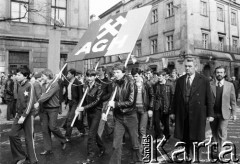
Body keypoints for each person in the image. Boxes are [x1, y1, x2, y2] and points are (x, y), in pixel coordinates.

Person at [171, 57, 214, 160]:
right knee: (184, 136)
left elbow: (209, 98)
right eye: (185, 66)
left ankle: (195, 156)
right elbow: (176, 98)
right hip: (183, 113)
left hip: (197, 113)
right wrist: (173, 112)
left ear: (195, 66)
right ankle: (187, 154)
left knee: (196, 137)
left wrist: (210, 114)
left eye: (189, 66)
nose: (187, 68)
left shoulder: (203, 80)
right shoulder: (180, 80)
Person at [108, 64, 142, 164]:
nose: (116, 74)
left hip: (130, 115)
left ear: (124, 72)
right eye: (114, 72)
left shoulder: (131, 83)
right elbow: (112, 98)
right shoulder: (114, 83)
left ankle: (138, 160)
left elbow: (131, 102)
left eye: (118, 72)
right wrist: (109, 106)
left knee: (135, 142)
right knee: (116, 144)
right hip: (119, 117)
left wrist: (115, 104)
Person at [34, 69, 68, 155]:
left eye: (43, 76)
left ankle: (63, 140)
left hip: (53, 108)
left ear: (48, 75)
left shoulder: (55, 84)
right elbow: (41, 95)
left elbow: (47, 95)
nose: (41, 78)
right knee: (45, 129)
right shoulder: (43, 84)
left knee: (52, 127)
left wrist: (38, 101)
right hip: (44, 108)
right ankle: (47, 148)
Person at [8, 66, 38, 164]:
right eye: (16, 74)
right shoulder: (20, 85)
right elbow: (19, 101)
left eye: (19, 74)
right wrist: (17, 112)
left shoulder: (30, 85)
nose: (16, 76)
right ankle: (21, 156)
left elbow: (30, 103)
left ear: (25, 76)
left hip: (28, 116)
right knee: (12, 134)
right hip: (19, 114)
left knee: (29, 138)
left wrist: (24, 116)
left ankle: (33, 160)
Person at [75, 69, 105, 164]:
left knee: (91, 134)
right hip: (89, 112)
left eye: (91, 76)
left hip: (96, 112)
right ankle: (102, 147)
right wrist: (79, 107)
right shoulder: (86, 86)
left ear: (95, 76)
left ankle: (90, 156)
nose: (89, 78)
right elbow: (83, 99)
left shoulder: (99, 87)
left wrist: (84, 108)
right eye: (87, 76)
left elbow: (97, 101)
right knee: (94, 132)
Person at [210, 66, 237, 153]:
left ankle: (220, 152)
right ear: (215, 73)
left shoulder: (230, 85)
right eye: (218, 72)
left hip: (224, 113)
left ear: (224, 74)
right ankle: (216, 148)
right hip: (213, 114)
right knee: (214, 133)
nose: (219, 74)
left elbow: (233, 100)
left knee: (222, 132)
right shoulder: (210, 84)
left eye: (221, 72)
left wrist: (234, 113)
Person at [131, 68, 154, 143]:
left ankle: (142, 147)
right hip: (134, 109)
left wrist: (150, 108)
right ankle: (137, 145)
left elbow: (152, 96)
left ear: (140, 75)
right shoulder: (132, 84)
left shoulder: (147, 83)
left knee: (142, 129)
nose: (135, 78)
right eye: (133, 76)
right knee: (136, 128)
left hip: (144, 109)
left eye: (136, 76)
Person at [64, 68, 84, 140]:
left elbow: (81, 95)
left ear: (73, 74)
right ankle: (82, 130)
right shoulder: (68, 81)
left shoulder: (77, 82)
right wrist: (66, 102)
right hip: (70, 102)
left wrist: (79, 105)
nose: (67, 75)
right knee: (73, 118)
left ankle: (67, 136)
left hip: (75, 103)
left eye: (69, 74)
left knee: (70, 119)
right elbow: (67, 92)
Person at [154, 70, 174, 140]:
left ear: (164, 76)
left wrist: (171, 107)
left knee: (166, 122)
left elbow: (172, 96)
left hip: (166, 105)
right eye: (158, 76)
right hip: (157, 106)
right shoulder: (156, 85)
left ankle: (166, 135)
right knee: (156, 120)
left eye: (160, 76)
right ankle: (159, 135)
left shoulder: (170, 84)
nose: (158, 78)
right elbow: (154, 95)